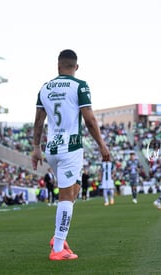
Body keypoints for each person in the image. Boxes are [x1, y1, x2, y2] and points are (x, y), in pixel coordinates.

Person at [32, 49, 110, 261]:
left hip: (52, 150)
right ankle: (57, 248)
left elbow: (39, 121)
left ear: (58, 66)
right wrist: (102, 145)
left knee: (75, 188)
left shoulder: (45, 87)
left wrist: (36, 148)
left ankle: (58, 237)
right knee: (66, 197)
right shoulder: (80, 85)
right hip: (71, 147)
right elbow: (90, 120)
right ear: (76, 67)